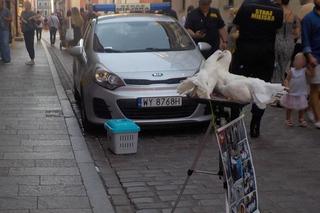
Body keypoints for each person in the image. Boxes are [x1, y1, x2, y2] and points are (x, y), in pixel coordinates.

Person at [231, 0, 283, 137]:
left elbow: (237, 25)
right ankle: (255, 125)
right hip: (265, 54)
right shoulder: (277, 9)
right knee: (262, 90)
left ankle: (234, 123)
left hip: (245, 53)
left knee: (237, 85)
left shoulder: (247, 5)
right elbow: (277, 29)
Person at [302, 0, 320, 128]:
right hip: (315, 58)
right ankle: (318, 119)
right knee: (315, 89)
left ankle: (310, 108)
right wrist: (309, 56)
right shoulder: (308, 19)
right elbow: (305, 39)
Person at [280, 53, 310, 127]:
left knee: (302, 107)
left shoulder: (304, 70)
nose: (296, 62)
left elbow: (310, 75)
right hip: (292, 92)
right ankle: (288, 119)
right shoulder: (292, 71)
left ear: (304, 63)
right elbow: (286, 79)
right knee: (289, 107)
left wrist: (310, 67)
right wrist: (287, 86)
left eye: (299, 60)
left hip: (301, 92)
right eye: (295, 60)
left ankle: (301, 119)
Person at [273, 0, 300, 83]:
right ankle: (281, 83)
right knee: (284, 67)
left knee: (275, 66)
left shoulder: (275, 12)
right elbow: (297, 33)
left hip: (276, 40)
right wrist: (291, 38)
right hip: (289, 43)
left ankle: (275, 84)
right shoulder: (293, 14)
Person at [20, 1, 37, 65]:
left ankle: (32, 59)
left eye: (26, 5)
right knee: (27, 45)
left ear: (28, 6)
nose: (25, 6)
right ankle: (31, 59)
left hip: (30, 30)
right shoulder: (23, 12)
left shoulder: (32, 13)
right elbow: (21, 20)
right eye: (24, 5)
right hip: (25, 31)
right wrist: (21, 27)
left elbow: (36, 19)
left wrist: (32, 18)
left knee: (30, 45)